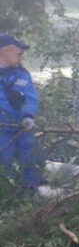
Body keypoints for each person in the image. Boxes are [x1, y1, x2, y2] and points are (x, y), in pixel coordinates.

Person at [0, 34, 40, 188]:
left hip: (22, 128)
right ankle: (8, 195)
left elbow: (31, 98)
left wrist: (28, 115)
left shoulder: (22, 75)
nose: (21, 58)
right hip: (2, 132)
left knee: (29, 159)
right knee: (5, 163)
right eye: (19, 54)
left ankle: (30, 191)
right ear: (6, 51)